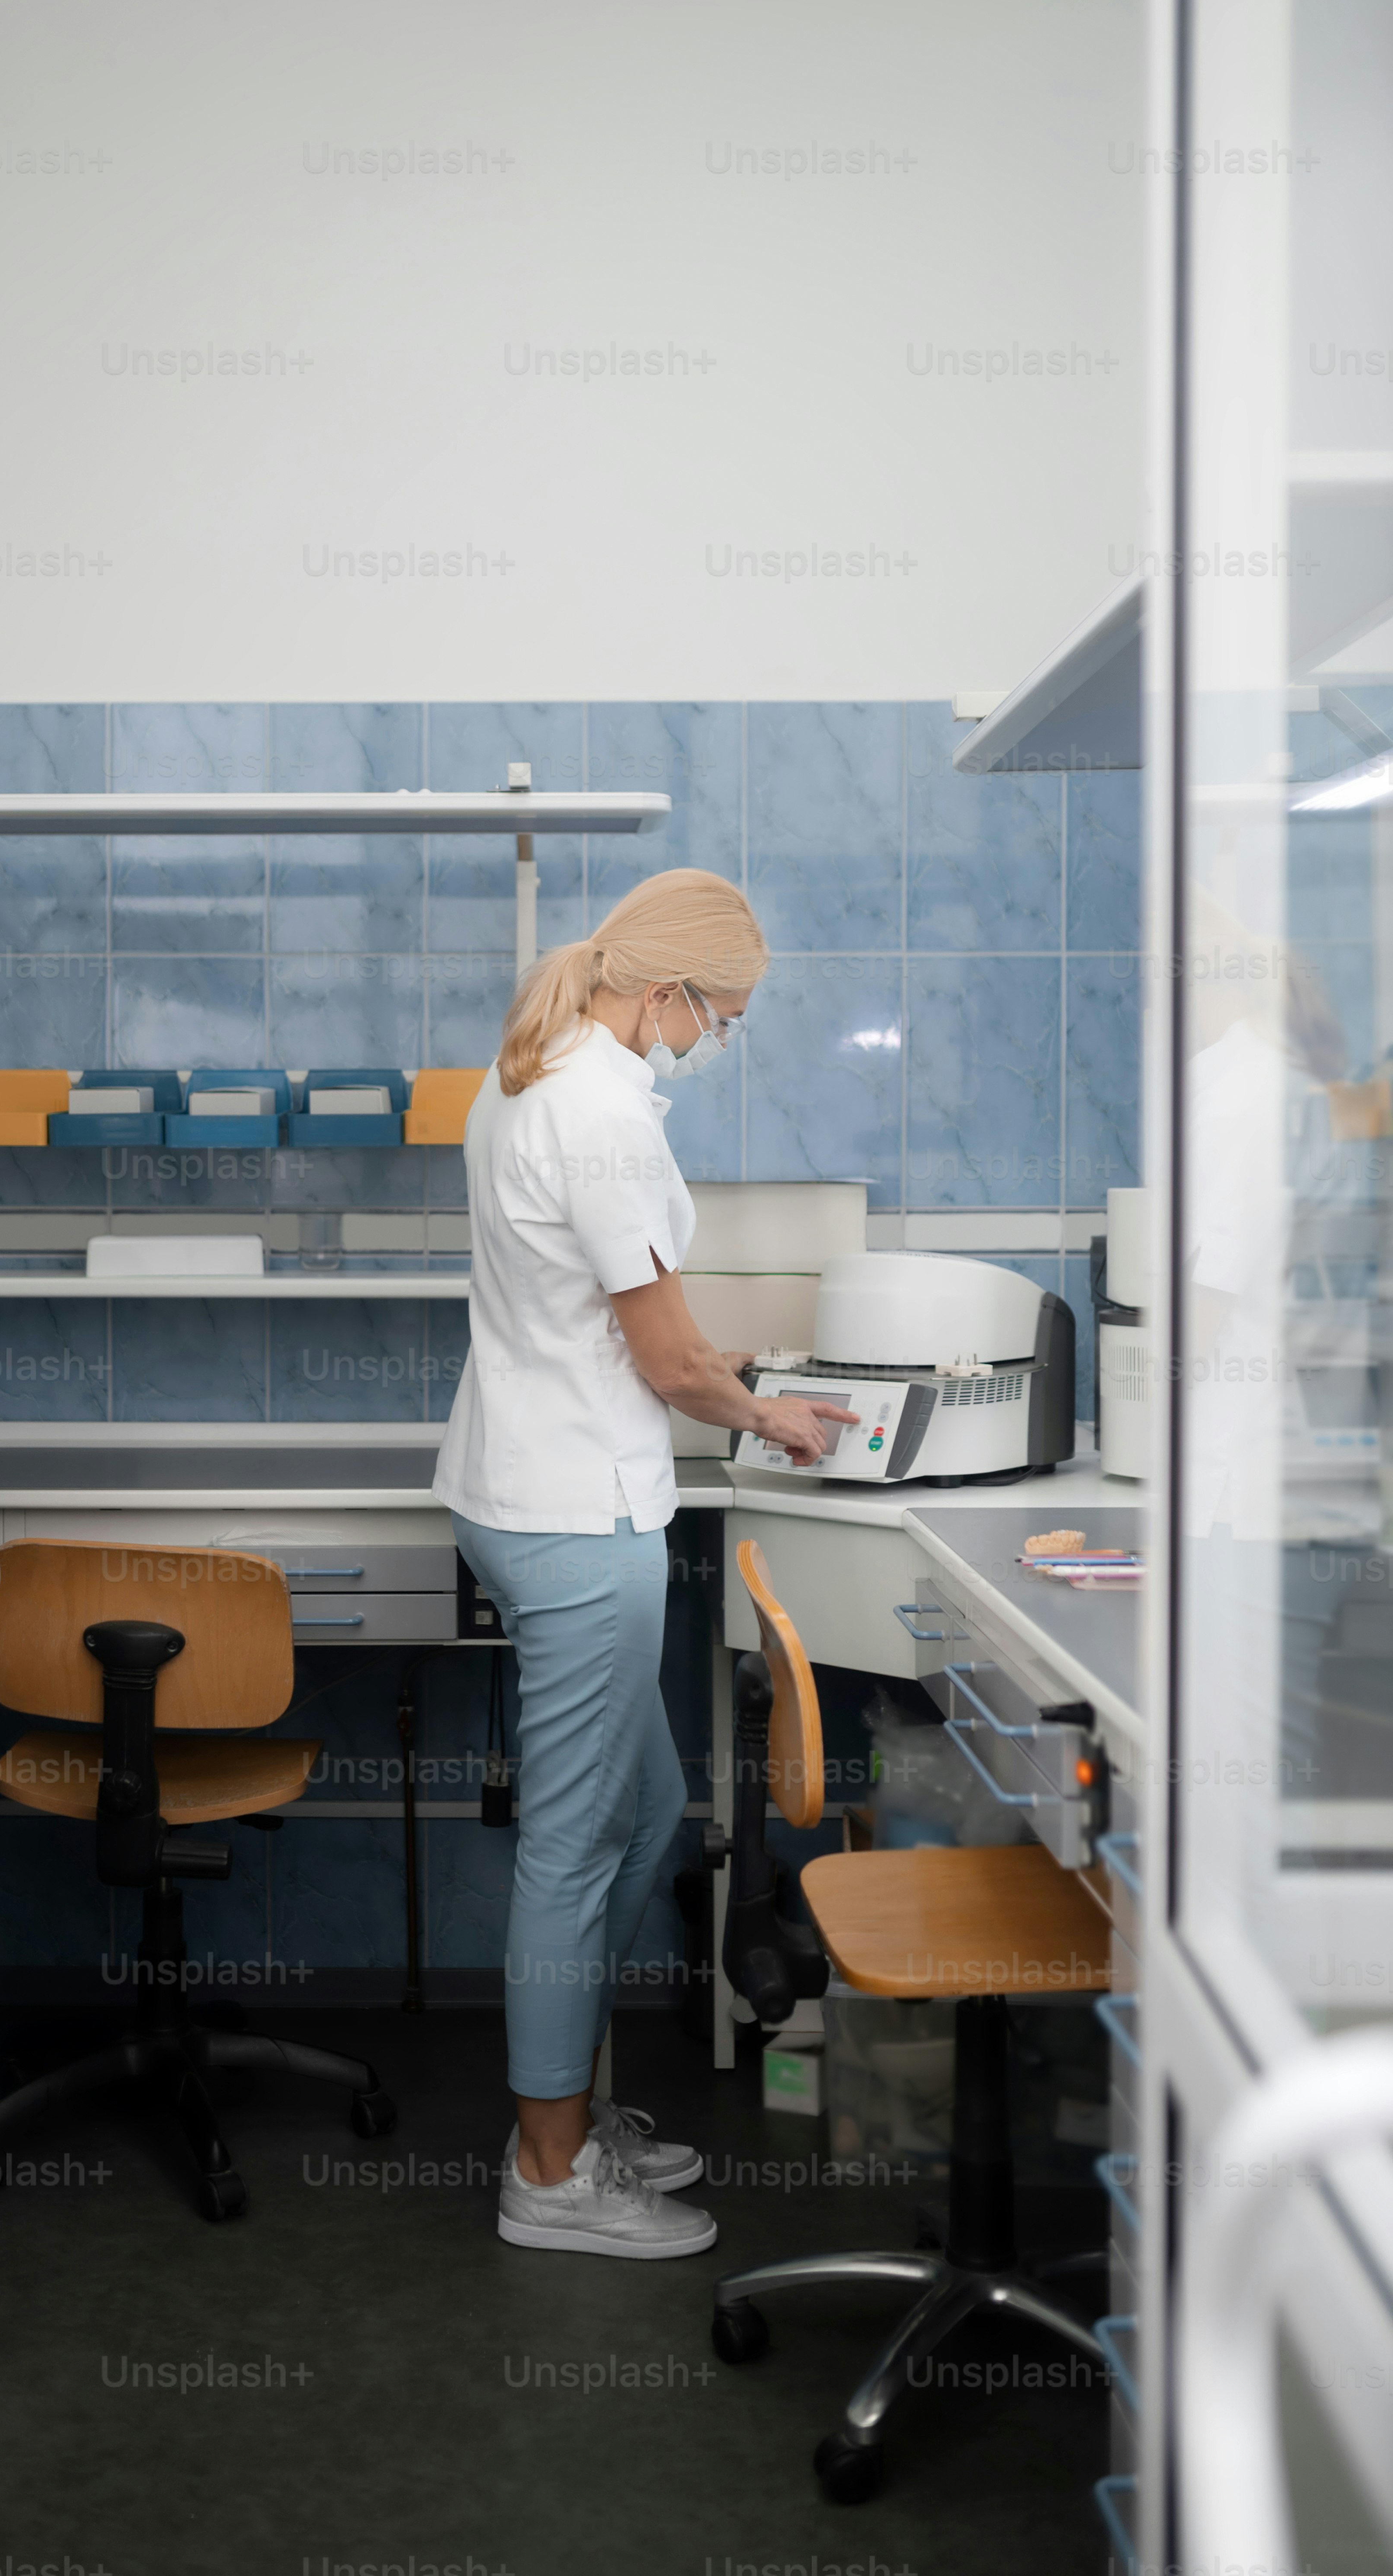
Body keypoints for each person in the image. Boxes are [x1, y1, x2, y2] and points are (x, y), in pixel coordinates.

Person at [433, 868, 858, 2258]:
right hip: (572, 1516)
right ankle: (548, 2173)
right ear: (666, 992)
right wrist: (767, 1412)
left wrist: (713, 1373)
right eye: (718, 1017)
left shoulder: (530, 1069)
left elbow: (608, 1323)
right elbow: (666, 1357)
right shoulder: (597, 1105)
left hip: (533, 1477)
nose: (712, 1039)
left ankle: (562, 2111)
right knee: (576, 1842)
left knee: (651, 1800)